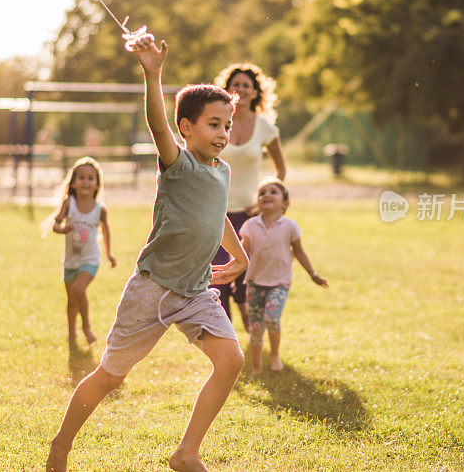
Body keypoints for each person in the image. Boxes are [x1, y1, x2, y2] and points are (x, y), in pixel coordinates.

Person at [46, 31, 249, 472]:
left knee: (231, 359)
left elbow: (217, 221)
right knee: (111, 377)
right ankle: (61, 445)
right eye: (214, 124)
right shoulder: (178, 164)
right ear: (187, 129)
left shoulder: (223, 172)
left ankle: (186, 452)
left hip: (195, 291)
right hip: (152, 290)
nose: (223, 133)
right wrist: (152, 73)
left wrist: (240, 256)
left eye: (228, 125)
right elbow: (157, 124)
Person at [211, 63, 287, 333]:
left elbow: (280, 169)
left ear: (255, 93)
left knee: (245, 279)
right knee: (217, 277)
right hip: (215, 212)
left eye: (246, 85)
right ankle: (225, 336)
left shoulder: (265, 128)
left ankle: (247, 321)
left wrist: (266, 200)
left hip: (248, 214)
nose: (240, 89)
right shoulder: (215, 123)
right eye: (235, 84)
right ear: (227, 90)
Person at [239, 177, 329, 375]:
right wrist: (232, 271)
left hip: (279, 283)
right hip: (254, 283)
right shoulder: (250, 226)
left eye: (273, 192)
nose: (266, 195)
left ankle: (274, 355)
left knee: (272, 318)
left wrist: (313, 274)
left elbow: (299, 252)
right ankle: (256, 365)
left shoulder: (290, 226)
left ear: (285, 203)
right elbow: (242, 254)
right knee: (255, 326)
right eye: (262, 193)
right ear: (258, 202)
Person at [42, 157, 117, 346]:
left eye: (90, 178)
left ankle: (86, 327)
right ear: (73, 183)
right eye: (81, 178)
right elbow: (56, 224)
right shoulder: (69, 203)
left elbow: (106, 231)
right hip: (71, 260)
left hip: (90, 259)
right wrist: (62, 229)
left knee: (79, 289)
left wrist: (109, 254)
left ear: (97, 184)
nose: (86, 181)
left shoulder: (100, 209)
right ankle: (71, 334)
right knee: (71, 300)